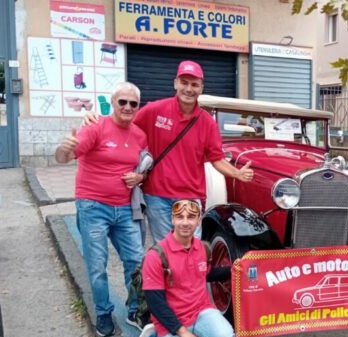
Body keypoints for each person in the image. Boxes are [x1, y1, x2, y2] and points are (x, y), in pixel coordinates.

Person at [83, 60, 254, 242]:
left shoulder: (207, 123)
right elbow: (124, 122)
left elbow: (217, 158)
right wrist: (97, 119)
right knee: (165, 249)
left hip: (190, 194)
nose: (189, 89)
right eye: (184, 83)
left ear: (201, 88)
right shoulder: (155, 110)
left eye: (194, 84)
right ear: (175, 83)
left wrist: (237, 173)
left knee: (189, 247)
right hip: (157, 195)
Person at [55, 82, 147, 336]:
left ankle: (135, 310)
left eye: (133, 103)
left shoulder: (140, 135)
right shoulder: (95, 126)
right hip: (93, 207)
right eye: (122, 102)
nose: (127, 107)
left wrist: (139, 178)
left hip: (125, 208)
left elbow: (143, 167)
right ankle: (103, 313)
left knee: (136, 262)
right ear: (113, 102)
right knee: (97, 266)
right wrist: (63, 149)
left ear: (138, 107)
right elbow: (64, 157)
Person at [136, 199, 234, 337]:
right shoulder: (156, 256)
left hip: (199, 312)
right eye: (179, 217)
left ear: (199, 220)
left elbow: (205, 273)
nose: (185, 222)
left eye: (191, 217)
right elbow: (155, 304)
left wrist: (236, 269)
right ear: (172, 219)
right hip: (169, 322)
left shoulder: (202, 248)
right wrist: (184, 334)